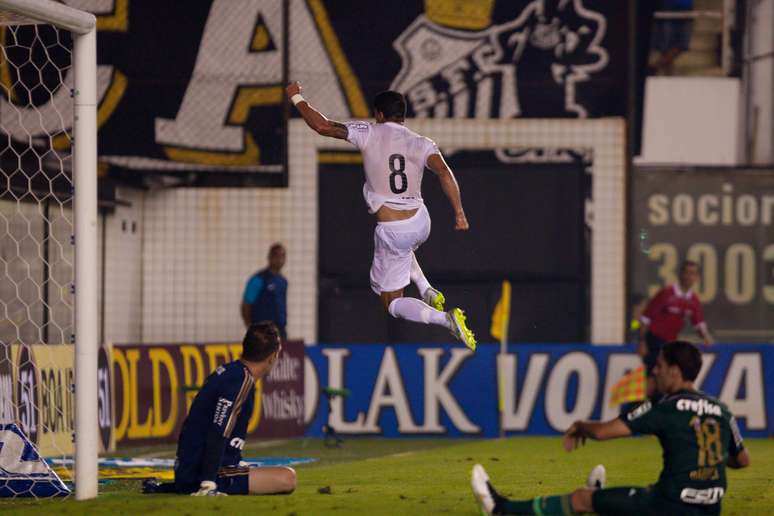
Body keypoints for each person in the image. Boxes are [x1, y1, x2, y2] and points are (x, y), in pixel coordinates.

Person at [286, 81, 476, 349]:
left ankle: (445, 320)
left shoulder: (369, 132)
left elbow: (322, 126)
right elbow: (444, 172)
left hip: (394, 229)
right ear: (403, 116)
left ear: (379, 114)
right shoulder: (421, 142)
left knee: (391, 302)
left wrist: (295, 97)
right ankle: (425, 288)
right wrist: (459, 212)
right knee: (400, 244)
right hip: (422, 221)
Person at [471, 340, 749, 515]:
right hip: (710, 509)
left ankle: (500, 509)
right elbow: (741, 460)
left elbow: (604, 432)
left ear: (675, 371)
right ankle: (601, 496)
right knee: (636, 496)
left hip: (670, 505)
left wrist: (580, 425)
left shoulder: (665, 407)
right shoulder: (722, 410)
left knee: (581, 499)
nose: (654, 371)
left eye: (660, 366)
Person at [143, 321, 296, 496]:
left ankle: (184, 484)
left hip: (191, 468)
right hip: (205, 473)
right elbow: (218, 431)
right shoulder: (242, 381)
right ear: (273, 356)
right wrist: (208, 483)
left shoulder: (229, 371)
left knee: (265, 471)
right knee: (287, 477)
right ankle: (206, 483)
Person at [639, 259, 713, 399]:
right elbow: (645, 319)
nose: (689, 277)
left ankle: (656, 407)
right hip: (654, 340)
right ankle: (639, 408)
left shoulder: (692, 300)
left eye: (693, 274)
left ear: (697, 278)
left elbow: (698, 323)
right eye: (687, 273)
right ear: (680, 274)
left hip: (670, 344)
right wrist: (642, 342)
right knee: (653, 376)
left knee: (666, 378)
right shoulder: (666, 293)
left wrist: (706, 337)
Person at [241, 243, 288, 340]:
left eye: (282, 256)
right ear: (270, 257)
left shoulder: (283, 281)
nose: (279, 259)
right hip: (262, 331)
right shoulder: (258, 279)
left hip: (280, 331)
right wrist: (251, 328)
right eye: (276, 255)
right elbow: (246, 305)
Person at [651, 0, 695, 76]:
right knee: (665, 45)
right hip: (666, 7)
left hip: (686, 8)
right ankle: (668, 72)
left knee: (683, 44)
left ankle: (656, 66)